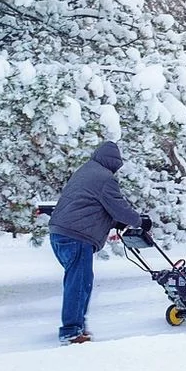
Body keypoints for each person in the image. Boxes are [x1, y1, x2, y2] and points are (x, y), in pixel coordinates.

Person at [47, 140, 148, 344]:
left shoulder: (85, 172)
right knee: (79, 283)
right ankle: (71, 331)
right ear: (113, 162)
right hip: (76, 236)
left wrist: (115, 222)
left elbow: (90, 206)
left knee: (79, 282)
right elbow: (118, 207)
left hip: (59, 233)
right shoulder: (104, 178)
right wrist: (140, 221)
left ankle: (76, 325)